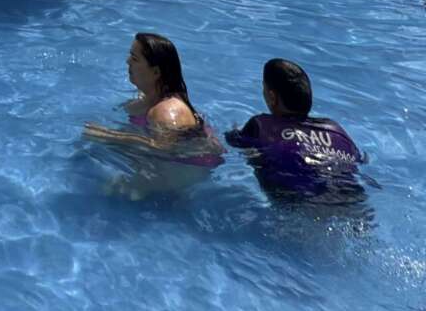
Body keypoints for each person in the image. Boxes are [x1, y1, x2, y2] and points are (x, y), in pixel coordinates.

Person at [83, 32, 225, 178]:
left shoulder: (168, 111)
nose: (127, 61)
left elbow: (164, 149)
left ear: (156, 71)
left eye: (134, 58)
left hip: (191, 169)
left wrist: (110, 136)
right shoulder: (146, 99)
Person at [225, 58, 365, 199]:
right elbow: (359, 161)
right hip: (352, 198)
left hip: (300, 200)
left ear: (272, 97)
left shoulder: (260, 125)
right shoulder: (336, 130)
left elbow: (232, 142)